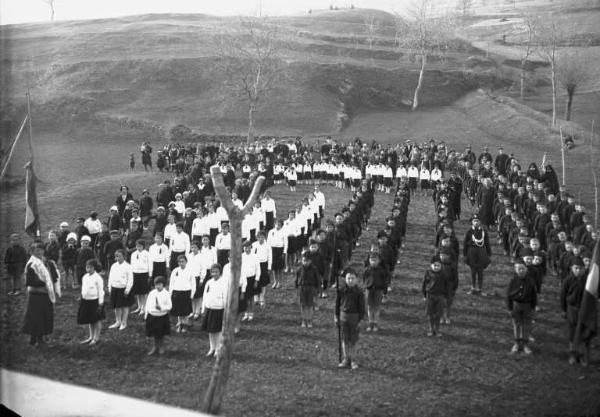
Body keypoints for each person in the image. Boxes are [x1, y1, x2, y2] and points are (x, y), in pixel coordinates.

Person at [22, 242, 61, 347]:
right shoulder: (32, 264)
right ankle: (39, 341)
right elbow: (30, 281)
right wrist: (44, 282)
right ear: (31, 252)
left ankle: (34, 339)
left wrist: (52, 278)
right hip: (36, 294)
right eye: (36, 250)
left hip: (45, 294)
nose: (39, 252)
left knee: (44, 316)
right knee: (36, 317)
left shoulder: (46, 262)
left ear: (44, 251)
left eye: (40, 249)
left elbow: (53, 276)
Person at [560, 257, 590, 366]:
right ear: (571, 268)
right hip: (572, 309)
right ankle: (573, 354)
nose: (578, 270)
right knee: (573, 332)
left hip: (584, 309)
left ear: (584, 269)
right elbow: (562, 296)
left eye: (581, 268)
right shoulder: (567, 280)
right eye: (576, 268)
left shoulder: (587, 280)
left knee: (582, 332)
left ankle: (582, 355)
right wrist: (563, 310)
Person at [334, 269, 365, 370]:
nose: (350, 280)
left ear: (356, 280)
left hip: (354, 317)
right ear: (345, 279)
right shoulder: (341, 290)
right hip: (343, 316)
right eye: (348, 278)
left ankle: (353, 360)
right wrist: (336, 316)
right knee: (345, 339)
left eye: (352, 278)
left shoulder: (359, 293)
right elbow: (337, 304)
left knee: (353, 340)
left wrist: (360, 320)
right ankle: (346, 358)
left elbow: (362, 308)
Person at [506, 260, 537, 355]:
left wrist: (533, 308)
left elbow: (534, 295)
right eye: (518, 269)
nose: (521, 271)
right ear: (515, 270)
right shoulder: (513, 281)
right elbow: (508, 295)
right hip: (516, 305)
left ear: (526, 269)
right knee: (517, 324)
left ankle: (525, 344)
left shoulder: (531, 281)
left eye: (523, 268)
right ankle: (517, 343)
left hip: (527, 305)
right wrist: (509, 308)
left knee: (526, 325)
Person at [202, 263, 228, 358]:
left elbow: (225, 296)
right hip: (210, 308)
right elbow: (205, 295)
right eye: (212, 272)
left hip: (219, 309)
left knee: (218, 330)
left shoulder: (223, 282)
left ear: (220, 272)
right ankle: (212, 348)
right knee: (210, 330)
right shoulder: (209, 282)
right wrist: (203, 307)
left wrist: (225, 309)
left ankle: (218, 348)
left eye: (216, 272)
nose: (214, 273)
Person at [77, 259, 105, 346]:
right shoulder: (85, 277)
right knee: (90, 320)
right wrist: (82, 296)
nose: (88, 269)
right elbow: (84, 288)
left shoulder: (98, 278)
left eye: (90, 267)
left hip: (95, 301)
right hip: (86, 301)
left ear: (94, 268)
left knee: (96, 320)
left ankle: (96, 338)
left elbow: (101, 291)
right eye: (87, 267)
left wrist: (100, 303)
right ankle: (91, 336)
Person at [463, 215, 491, 295]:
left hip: (481, 252)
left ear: (480, 222)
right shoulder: (469, 231)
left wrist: (489, 253)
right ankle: (473, 287)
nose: (476, 222)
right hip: (472, 252)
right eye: (474, 221)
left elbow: (487, 242)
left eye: (477, 221)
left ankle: (480, 288)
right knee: (473, 270)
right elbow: (465, 243)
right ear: (472, 222)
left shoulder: (483, 231)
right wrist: (465, 254)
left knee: (480, 270)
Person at [422, 255, 449, 337]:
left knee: (438, 314)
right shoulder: (428, 273)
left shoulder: (444, 274)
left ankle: (437, 329)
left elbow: (447, 286)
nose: (436, 267)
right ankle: (431, 328)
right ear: (431, 265)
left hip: (440, 296)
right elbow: (424, 284)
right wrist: (424, 295)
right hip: (430, 295)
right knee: (430, 313)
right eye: (435, 265)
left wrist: (446, 296)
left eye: (438, 265)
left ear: (441, 266)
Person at [145, 276, 172, 356]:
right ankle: (155, 347)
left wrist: (161, 308)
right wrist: (146, 315)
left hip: (162, 316)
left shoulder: (166, 293)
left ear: (163, 285)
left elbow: (169, 306)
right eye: (156, 284)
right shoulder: (152, 293)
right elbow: (147, 305)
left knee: (161, 333)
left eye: (160, 284)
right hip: (153, 316)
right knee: (154, 333)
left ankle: (161, 346)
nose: (158, 286)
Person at [362, 252, 389, 332]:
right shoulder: (366, 270)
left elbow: (385, 281)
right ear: (369, 260)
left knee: (377, 307)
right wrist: (366, 287)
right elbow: (364, 280)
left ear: (378, 261)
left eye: (375, 260)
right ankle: (370, 323)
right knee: (370, 307)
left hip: (378, 290)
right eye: (372, 260)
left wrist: (384, 291)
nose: (373, 262)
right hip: (369, 290)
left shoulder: (382, 271)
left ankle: (376, 323)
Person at [107, 249, 133, 331]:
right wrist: (109, 288)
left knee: (124, 306)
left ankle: (124, 322)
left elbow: (130, 280)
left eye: (119, 255)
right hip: (115, 288)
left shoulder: (128, 266)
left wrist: (127, 290)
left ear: (124, 256)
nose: (117, 257)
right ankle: (118, 321)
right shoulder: (113, 266)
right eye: (116, 256)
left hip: (123, 289)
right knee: (117, 306)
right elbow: (110, 278)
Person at [169, 255, 195, 333]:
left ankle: (185, 324)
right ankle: (180, 323)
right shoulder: (175, 271)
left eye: (183, 261)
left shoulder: (190, 271)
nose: (181, 263)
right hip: (177, 292)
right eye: (179, 262)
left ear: (186, 262)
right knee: (179, 309)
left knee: (185, 310)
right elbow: (171, 282)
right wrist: (171, 292)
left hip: (186, 292)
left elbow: (193, 284)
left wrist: (192, 294)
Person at [295, 251, 320, 328]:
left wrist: (317, 290)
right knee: (303, 305)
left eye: (307, 261)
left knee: (309, 306)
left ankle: (309, 321)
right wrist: (297, 287)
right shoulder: (299, 269)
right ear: (302, 260)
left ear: (310, 261)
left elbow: (317, 280)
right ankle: (303, 320)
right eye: (304, 260)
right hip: (302, 288)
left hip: (311, 289)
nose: (305, 262)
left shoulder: (314, 269)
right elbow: (297, 280)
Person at [130, 239, 150, 315]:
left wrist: (150, 274)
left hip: (144, 274)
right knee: (138, 292)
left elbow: (150, 264)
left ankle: (144, 308)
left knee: (143, 292)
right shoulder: (133, 254)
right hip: (135, 274)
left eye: (140, 246)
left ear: (143, 247)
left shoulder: (147, 254)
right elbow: (132, 264)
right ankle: (139, 307)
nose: (138, 248)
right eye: (137, 246)